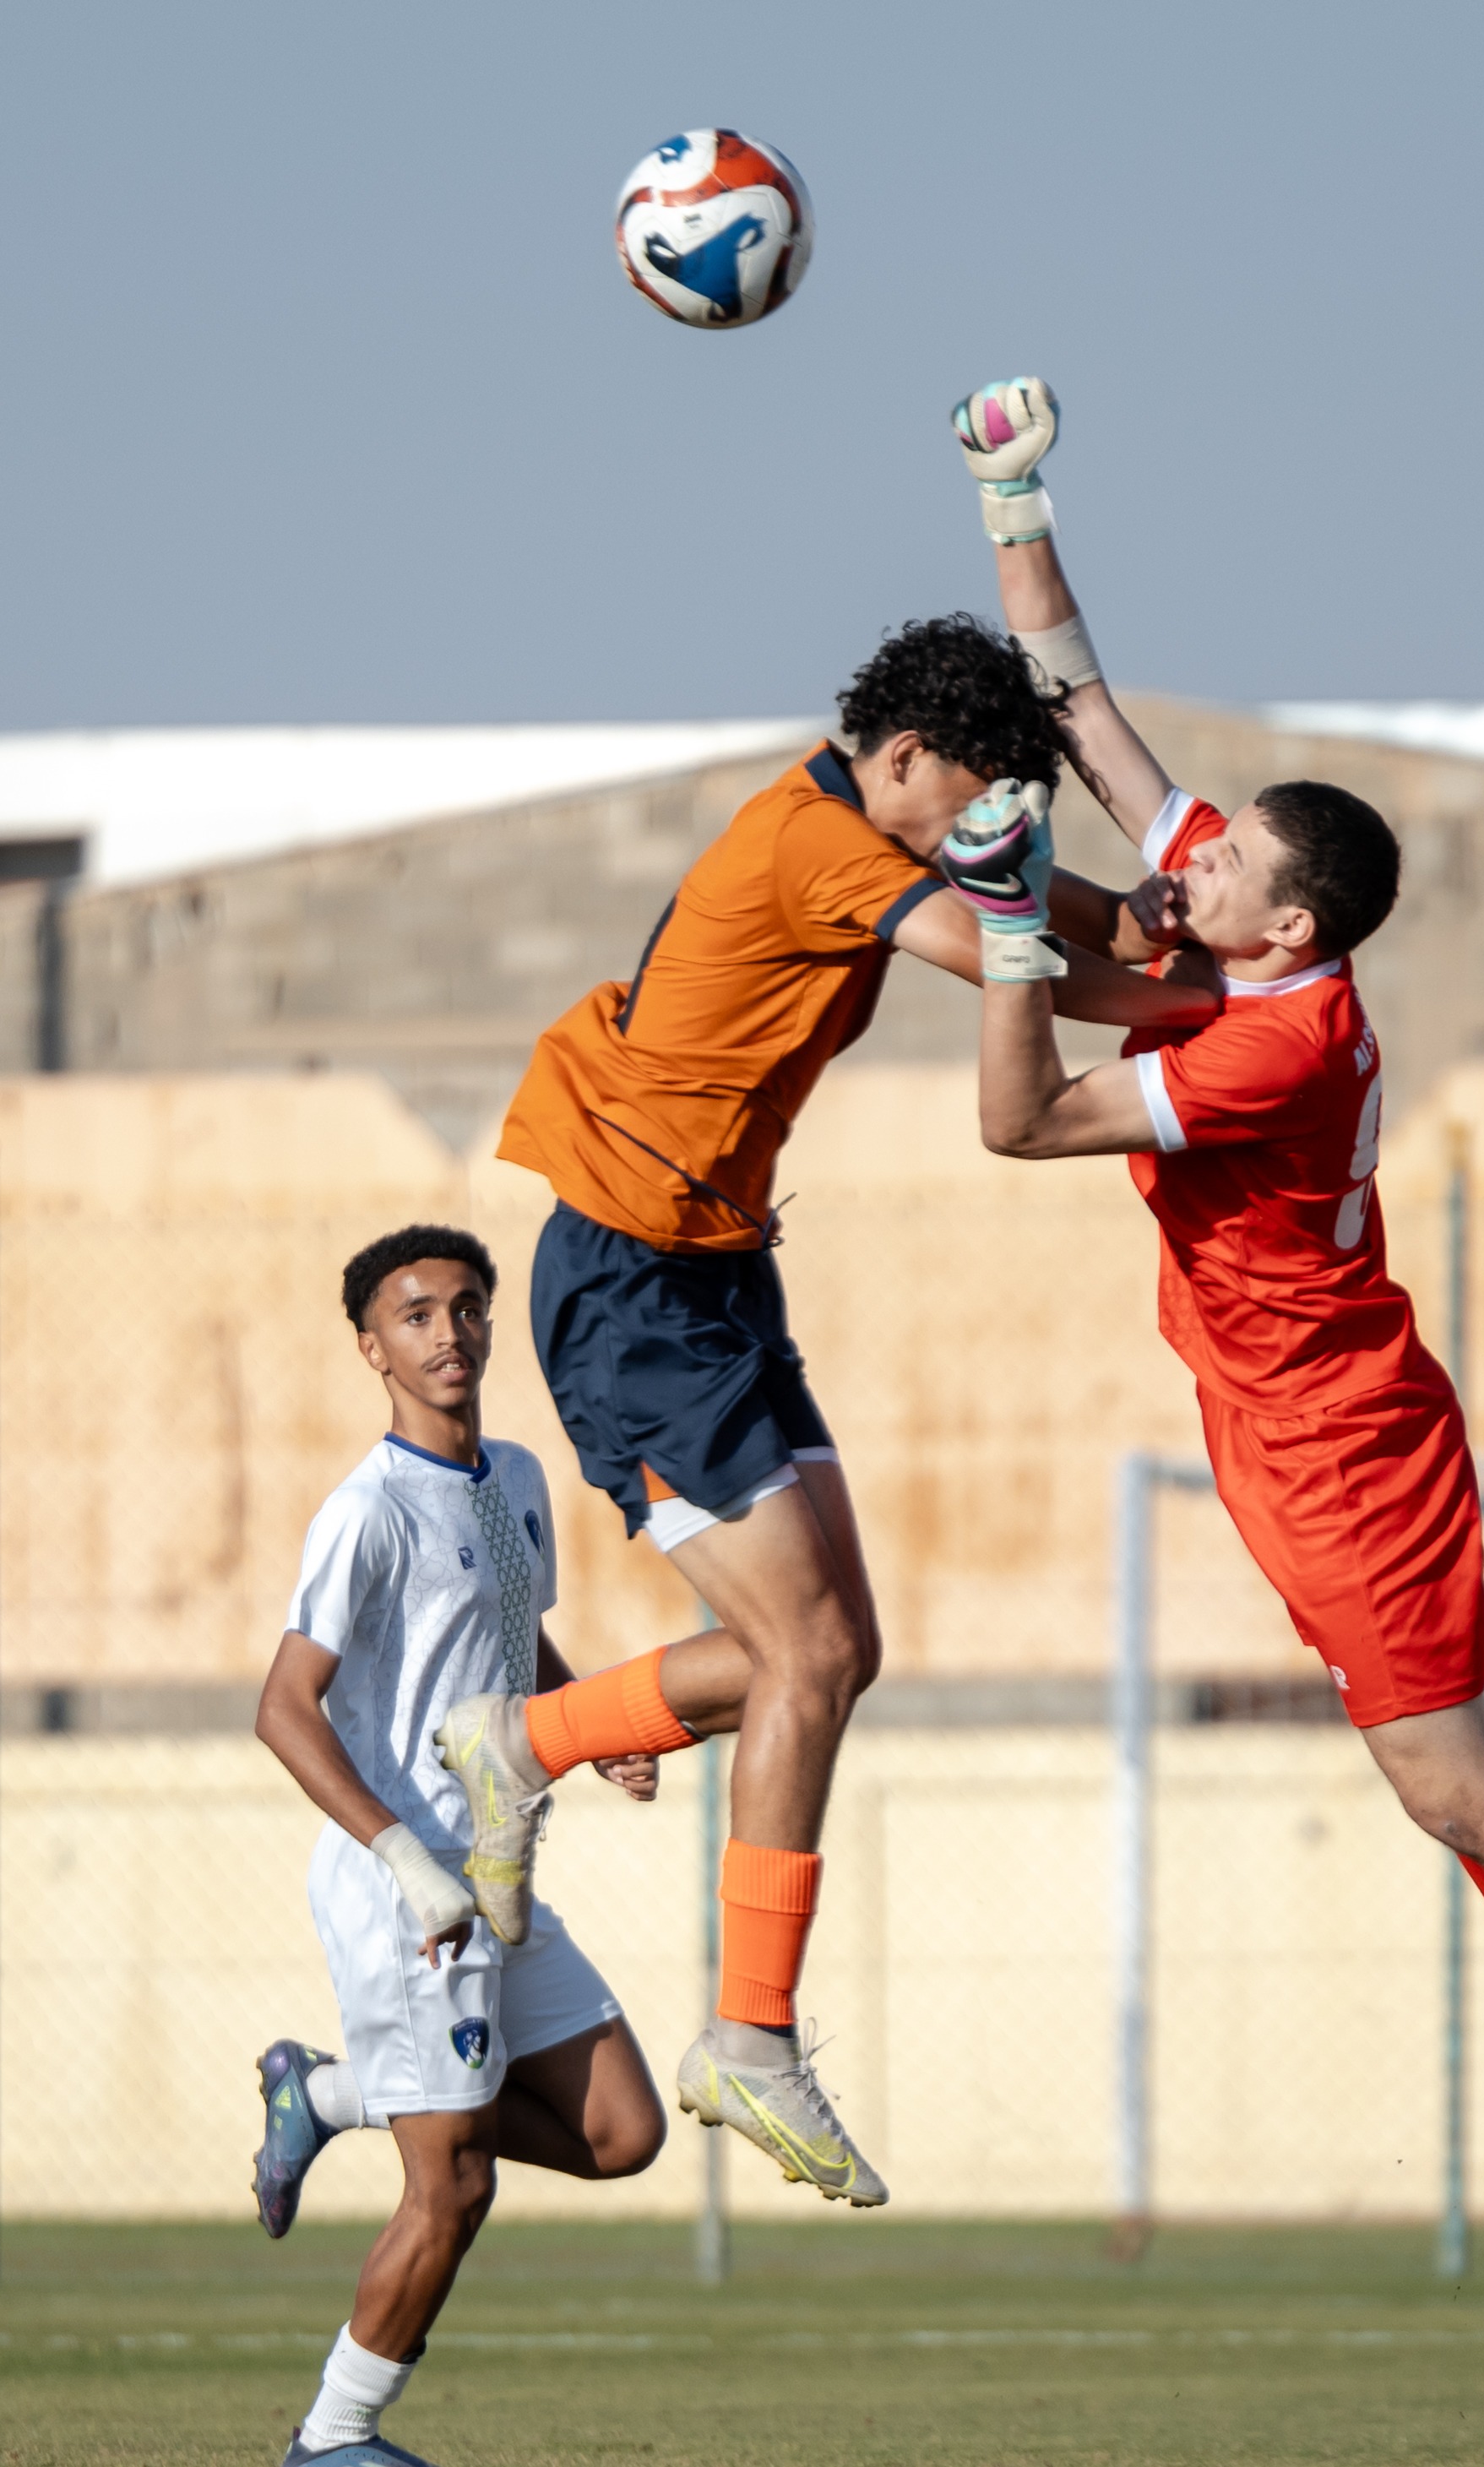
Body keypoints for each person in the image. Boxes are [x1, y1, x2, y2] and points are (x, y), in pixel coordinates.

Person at [931, 375, 1484, 2247]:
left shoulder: (1270, 1043)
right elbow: (1083, 710)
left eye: (1229, 861)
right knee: (1442, 1777)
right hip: (1285, 1426)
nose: (1198, 859)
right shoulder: (1241, 960)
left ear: (1289, 926)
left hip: (1341, 1441)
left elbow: (1016, 1121)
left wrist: (1010, 930)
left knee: (1454, 1776)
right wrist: (1014, 496)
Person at [432, 623, 1217, 2209]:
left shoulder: (860, 821)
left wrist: (1126, 919)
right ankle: (748, 2036)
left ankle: (522, 1742)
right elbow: (1003, 956)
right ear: (908, 759)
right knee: (802, 1656)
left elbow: (1021, 909)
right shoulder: (822, 845)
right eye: (966, 807)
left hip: (714, 1273)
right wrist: (1193, 1008)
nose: (963, 835)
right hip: (634, 1289)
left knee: (835, 1650)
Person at [247, 1226, 670, 2467]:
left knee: (622, 2133)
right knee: (457, 2183)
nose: (449, 1332)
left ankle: (323, 2092)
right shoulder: (366, 1510)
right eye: (417, 1314)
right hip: (407, 1892)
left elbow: (510, 1642)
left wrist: (592, 1729)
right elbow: (282, 1704)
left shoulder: (519, 1477)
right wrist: (403, 1855)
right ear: (372, 1348)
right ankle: (332, 2441)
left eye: (467, 1308)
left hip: (499, 1871)